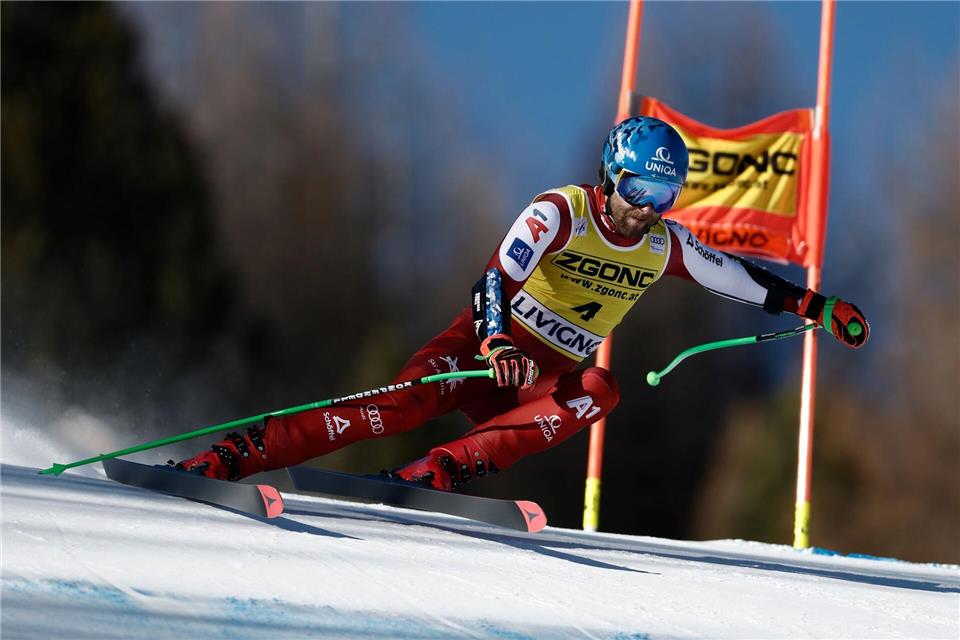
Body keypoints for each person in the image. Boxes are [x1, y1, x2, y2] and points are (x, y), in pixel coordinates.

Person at [174, 116, 869, 490]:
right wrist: (496, 340)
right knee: (399, 406)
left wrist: (817, 306)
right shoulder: (560, 212)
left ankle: (442, 470)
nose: (644, 211)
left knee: (600, 389)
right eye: (636, 191)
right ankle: (240, 454)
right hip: (484, 350)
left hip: (538, 380)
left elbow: (743, 279)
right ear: (611, 178)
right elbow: (492, 281)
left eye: (662, 198)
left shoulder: (664, 245)